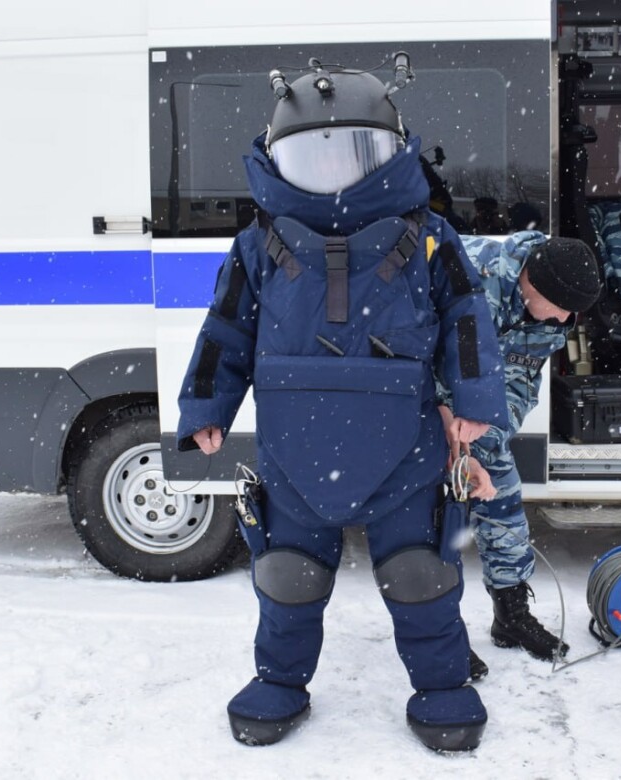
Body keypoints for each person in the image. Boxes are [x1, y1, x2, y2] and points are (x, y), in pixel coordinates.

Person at [177, 57, 508, 753]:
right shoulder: (256, 245)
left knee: (421, 573)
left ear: (390, 152)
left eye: (352, 151)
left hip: (406, 448)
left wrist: (474, 398)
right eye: (313, 154)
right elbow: (225, 330)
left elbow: (467, 318)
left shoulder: (429, 237)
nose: (333, 171)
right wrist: (206, 406)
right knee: (287, 576)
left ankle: (443, 686)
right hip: (294, 450)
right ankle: (279, 681)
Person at [438, 230, 601, 669]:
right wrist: (454, 443)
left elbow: (519, 381)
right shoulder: (471, 278)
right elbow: (421, 363)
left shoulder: (552, 315)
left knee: (502, 496)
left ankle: (510, 615)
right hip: (413, 397)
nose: (565, 319)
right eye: (562, 306)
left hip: (471, 412)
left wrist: (483, 440)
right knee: (435, 515)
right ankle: (438, 634)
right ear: (535, 282)